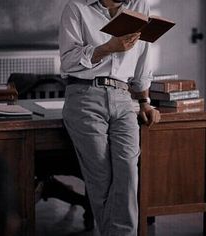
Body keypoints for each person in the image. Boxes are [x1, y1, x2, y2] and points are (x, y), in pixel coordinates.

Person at [59, 0, 161, 235]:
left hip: (123, 98)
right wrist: (107, 48)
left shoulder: (138, 5)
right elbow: (68, 60)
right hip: (84, 95)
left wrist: (144, 101)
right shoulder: (76, 8)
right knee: (101, 179)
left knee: (128, 174)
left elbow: (144, 55)